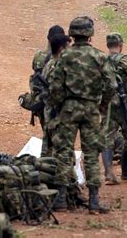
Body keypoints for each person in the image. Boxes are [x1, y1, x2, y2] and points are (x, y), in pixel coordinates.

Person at [48, 16, 117, 214]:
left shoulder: (64, 57)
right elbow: (111, 85)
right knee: (91, 154)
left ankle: (61, 199)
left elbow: (54, 85)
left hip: (69, 109)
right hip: (91, 109)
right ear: (90, 34)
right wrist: (102, 104)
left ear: (72, 34)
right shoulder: (100, 56)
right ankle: (94, 201)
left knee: (63, 151)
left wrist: (62, 103)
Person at [101, 33, 127, 185]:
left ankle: (108, 171)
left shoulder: (101, 61)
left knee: (107, 135)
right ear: (121, 44)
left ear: (108, 45)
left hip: (108, 104)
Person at [40, 33, 72, 210]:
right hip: (60, 115)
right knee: (63, 155)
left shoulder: (48, 64)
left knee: (48, 151)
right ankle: (60, 198)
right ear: (61, 48)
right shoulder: (60, 66)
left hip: (49, 114)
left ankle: (45, 191)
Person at [29, 25, 66, 130]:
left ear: (48, 39)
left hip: (41, 100)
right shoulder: (66, 59)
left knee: (47, 132)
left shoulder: (39, 56)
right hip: (60, 103)